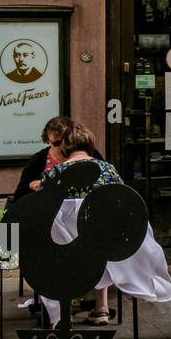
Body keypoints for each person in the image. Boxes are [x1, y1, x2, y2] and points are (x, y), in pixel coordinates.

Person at [40, 122, 123, 325]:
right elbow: (122, 200)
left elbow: (42, 209)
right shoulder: (108, 170)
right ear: (90, 145)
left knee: (56, 246)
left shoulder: (53, 173)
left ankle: (64, 309)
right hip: (102, 243)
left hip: (64, 246)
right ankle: (102, 308)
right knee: (99, 242)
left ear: (66, 147)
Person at [13, 115, 105, 200]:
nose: (62, 146)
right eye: (57, 143)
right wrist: (32, 184)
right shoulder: (38, 160)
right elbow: (19, 195)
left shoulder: (88, 153)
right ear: (47, 141)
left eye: (65, 140)